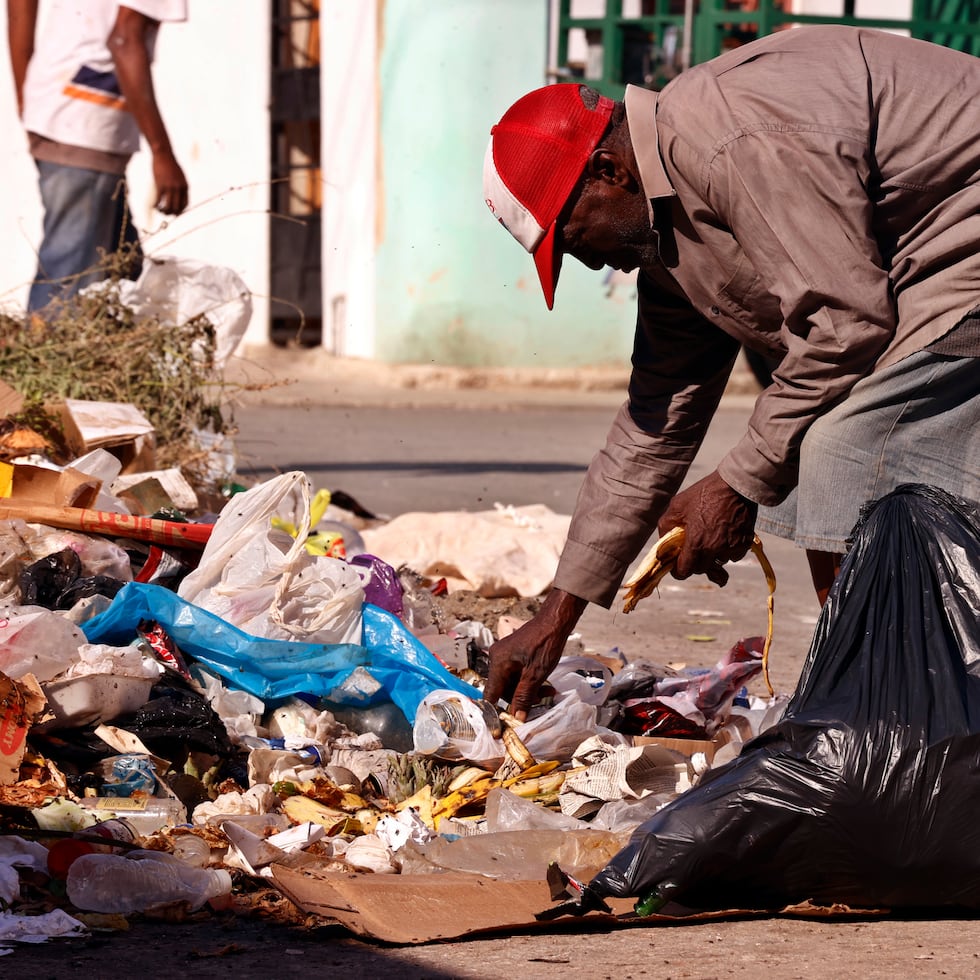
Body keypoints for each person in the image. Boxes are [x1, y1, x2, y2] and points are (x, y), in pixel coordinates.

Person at [482, 25, 980, 719]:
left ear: (608, 172)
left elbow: (847, 323)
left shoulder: (728, 136)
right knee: (805, 443)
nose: (589, 261)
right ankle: (879, 696)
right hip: (924, 267)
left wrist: (737, 484)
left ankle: (896, 705)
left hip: (965, 237)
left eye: (573, 236)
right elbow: (654, 425)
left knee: (838, 444)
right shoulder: (666, 232)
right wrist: (556, 617)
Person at [7, 0, 188, 313]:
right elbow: (124, 40)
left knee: (124, 277)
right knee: (64, 295)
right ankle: (40, 356)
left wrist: (29, 93)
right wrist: (162, 153)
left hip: (62, 113)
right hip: (82, 126)